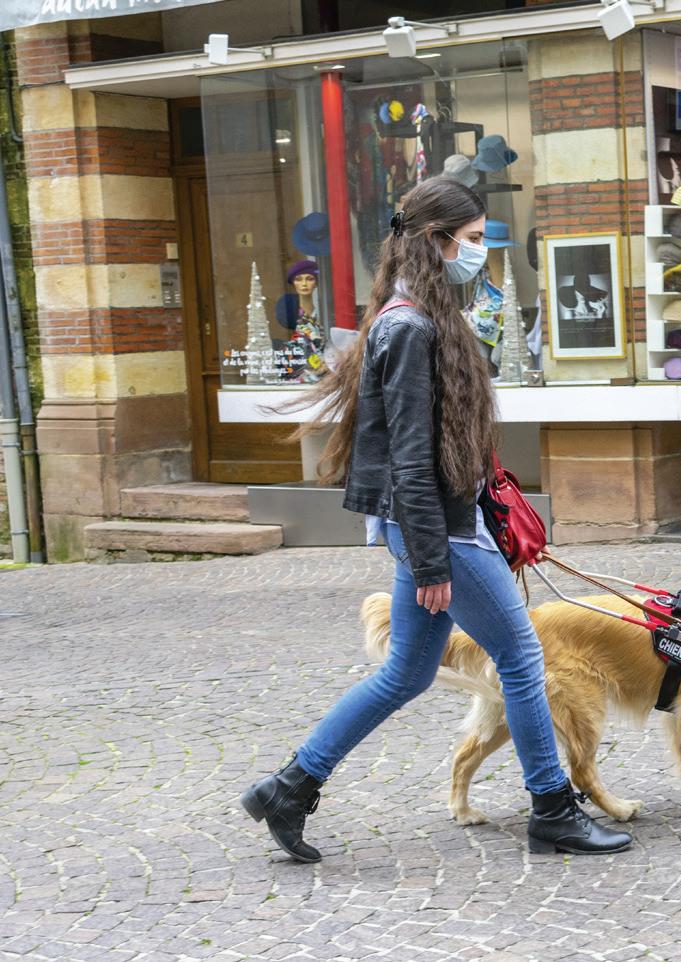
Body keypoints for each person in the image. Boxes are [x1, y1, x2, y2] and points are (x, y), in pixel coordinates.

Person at [239, 177, 632, 861]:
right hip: (438, 531)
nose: (480, 252)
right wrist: (429, 563)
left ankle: (288, 787)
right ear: (435, 239)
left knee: (407, 674)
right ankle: (552, 810)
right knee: (522, 656)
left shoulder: (417, 317)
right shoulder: (409, 327)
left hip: (435, 525)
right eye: (473, 239)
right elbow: (411, 460)